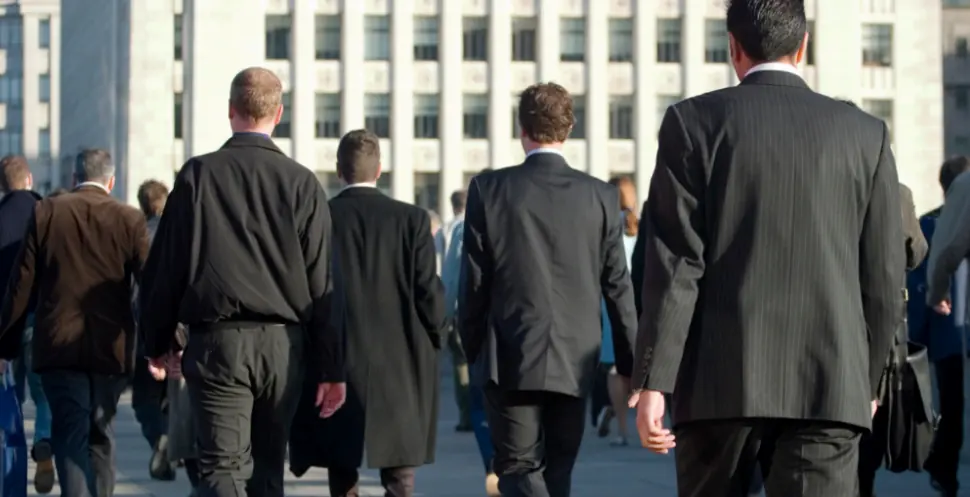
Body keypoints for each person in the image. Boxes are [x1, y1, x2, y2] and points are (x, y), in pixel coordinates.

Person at [628, 1, 904, 496]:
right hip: (829, 386)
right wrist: (867, 384)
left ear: (733, 48)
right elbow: (883, 276)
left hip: (718, 384)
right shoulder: (866, 135)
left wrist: (654, 381)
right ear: (803, 46)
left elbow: (676, 266)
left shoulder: (692, 124)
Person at [137, 67, 346, 497]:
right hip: (283, 347)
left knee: (221, 468)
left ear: (231, 111)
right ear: (279, 114)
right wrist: (331, 367)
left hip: (219, 343)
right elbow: (323, 282)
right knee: (268, 469)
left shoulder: (198, 177)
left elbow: (166, 269)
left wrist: (159, 343)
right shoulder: (303, 184)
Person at [459, 82, 638, 497]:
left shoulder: (489, 191)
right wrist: (631, 366)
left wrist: (474, 351)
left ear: (522, 129)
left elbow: (474, 285)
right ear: (569, 129)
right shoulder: (601, 198)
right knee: (558, 472)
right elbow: (618, 288)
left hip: (509, 354)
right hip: (576, 358)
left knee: (519, 469)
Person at [288, 129, 444, 497]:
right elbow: (427, 291)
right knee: (399, 475)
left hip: (338, 358)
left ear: (339, 171)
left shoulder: (319, 218)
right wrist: (439, 333)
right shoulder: (413, 221)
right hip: (401, 360)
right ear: (380, 170)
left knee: (342, 472)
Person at [0, 149, 150, 497]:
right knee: (101, 432)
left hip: (58, 345)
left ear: (72, 179)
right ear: (111, 182)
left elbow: (21, 284)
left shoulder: (47, 212)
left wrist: (5, 345)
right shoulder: (129, 219)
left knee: (70, 433)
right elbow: (152, 283)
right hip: (111, 349)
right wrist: (166, 340)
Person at [913, 156, 970, 497]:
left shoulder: (930, 223)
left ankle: (942, 467)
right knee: (952, 403)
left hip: (942, 329)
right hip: (954, 329)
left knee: (948, 402)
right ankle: (943, 467)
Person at [0, 155, 54, 494]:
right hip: (39, 319)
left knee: (10, 396)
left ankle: (12, 468)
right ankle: (45, 441)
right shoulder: (47, 214)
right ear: (30, 179)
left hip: (4, 326)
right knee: (45, 394)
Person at [442, 179, 498, 496]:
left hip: (474, 318)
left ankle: (491, 459)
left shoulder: (462, 230)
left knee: (477, 395)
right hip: (512, 321)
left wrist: (448, 315)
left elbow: (452, 275)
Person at [130, 179, 176, 481]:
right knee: (177, 394)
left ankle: (159, 436)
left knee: (144, 399)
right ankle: (173, 439)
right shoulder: (179, 232)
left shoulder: (136, 235)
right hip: (180, 328)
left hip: (143, 330)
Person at [593, 176, 639, 447]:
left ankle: (621, 426)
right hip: (639, 298)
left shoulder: (605, 225)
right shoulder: (641, 225)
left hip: (611, 300)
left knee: (614, 369)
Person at [442, 189, 473, 433]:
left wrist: (445, 312)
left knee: (461, 363)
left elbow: (450, 275)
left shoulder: (455, 231)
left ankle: (466, 415)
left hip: (464, 308)